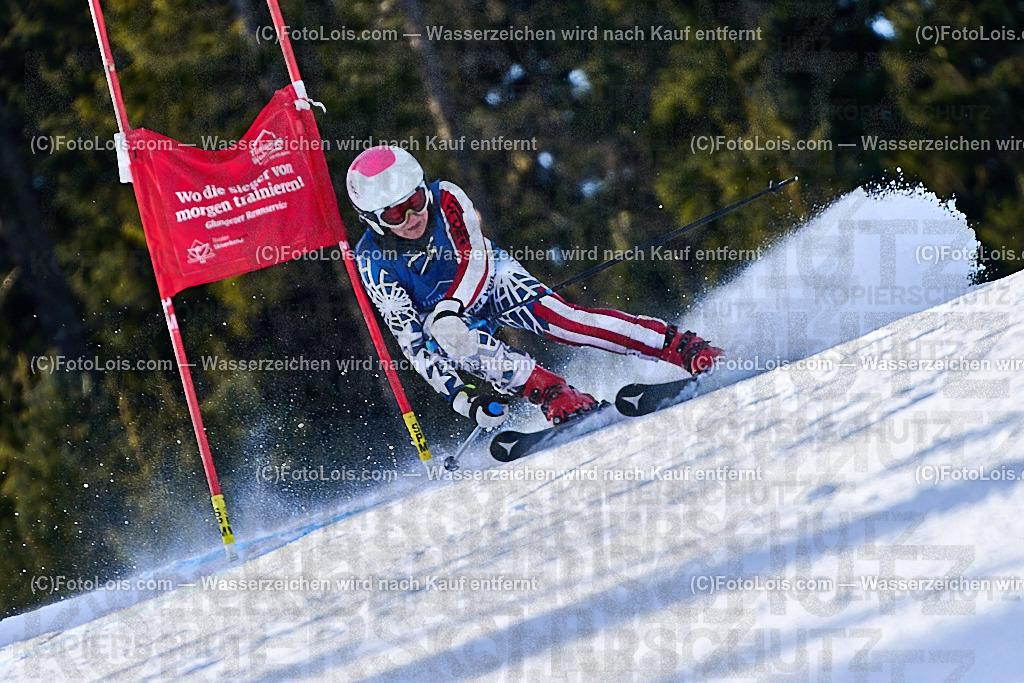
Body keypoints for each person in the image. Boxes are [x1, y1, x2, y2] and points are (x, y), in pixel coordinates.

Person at [346, 145, 722, 429]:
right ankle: (554, 393)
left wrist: (453, 305)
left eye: (414, 200)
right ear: (373, 219)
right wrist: (463, 398)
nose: (413, 216)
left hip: (488, 280)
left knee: (565, 321)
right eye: (396, 213)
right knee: (444, 333)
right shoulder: (371, 260)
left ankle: (684, 348)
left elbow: (476, 259)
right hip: (450, 323)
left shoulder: (446, 197)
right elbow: (410, 339)